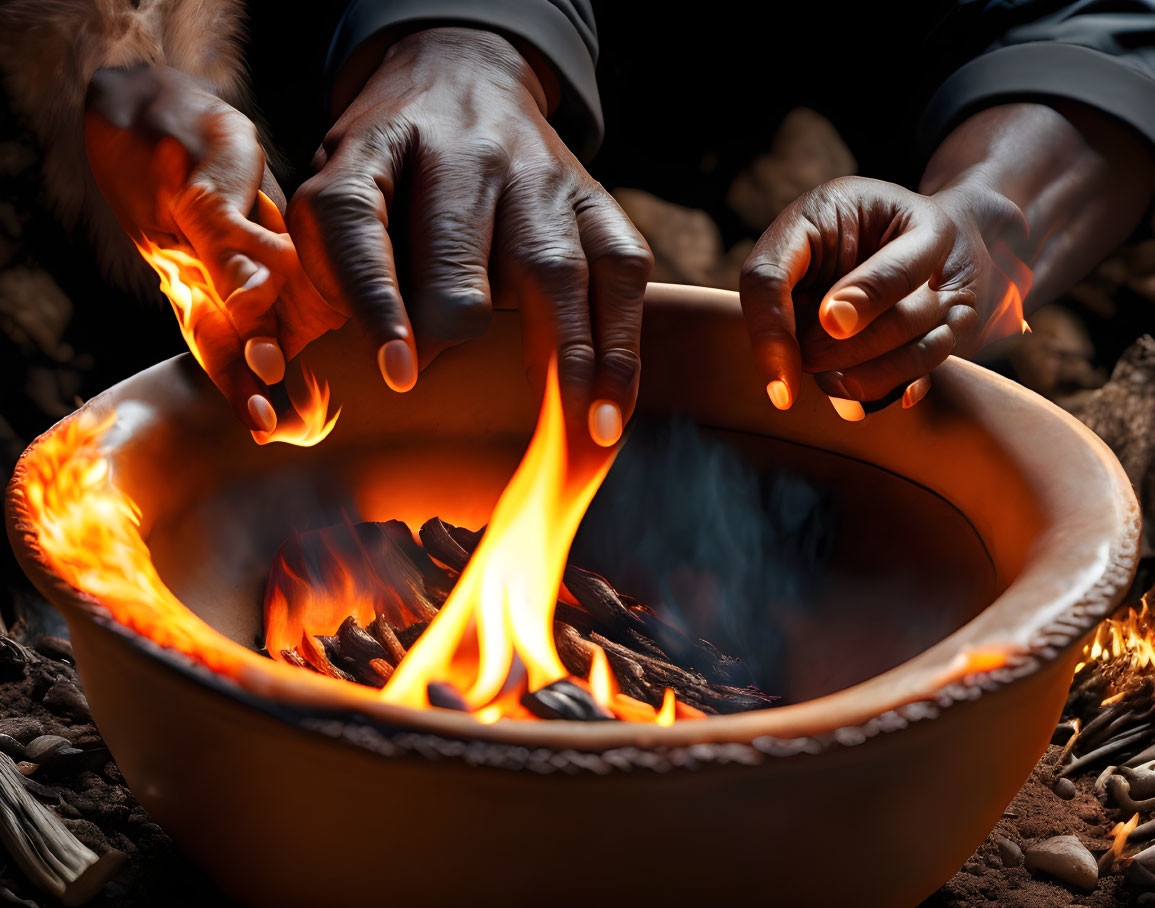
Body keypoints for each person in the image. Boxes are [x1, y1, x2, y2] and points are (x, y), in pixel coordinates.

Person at [6, 1, 1155, 439]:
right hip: (322, 259)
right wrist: (457, 46)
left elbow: (1104, 23)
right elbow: (115, 52)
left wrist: (979, 224)